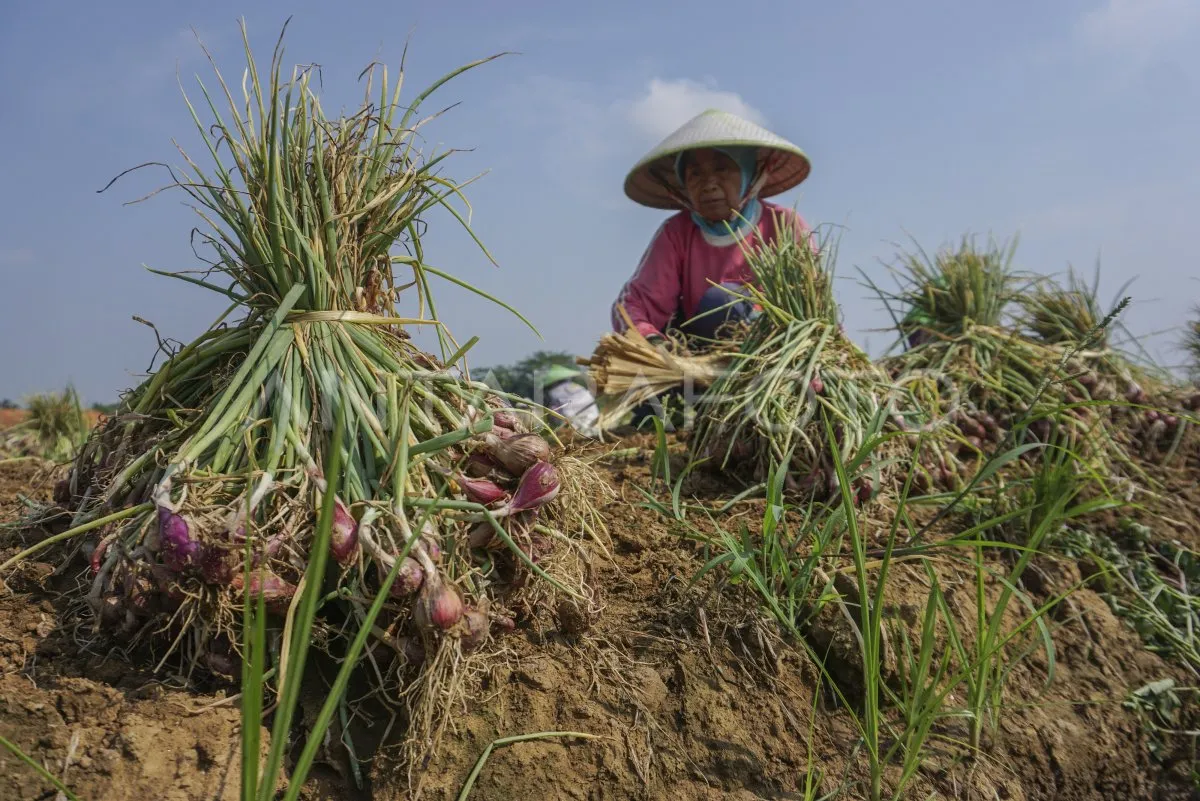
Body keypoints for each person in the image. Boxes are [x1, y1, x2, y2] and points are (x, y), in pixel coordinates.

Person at [610, 109, 814, 424]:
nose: (709, 185)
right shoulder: (677, 233)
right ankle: (665, 431)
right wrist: (653, 345)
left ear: (750, 174)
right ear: (682, 184)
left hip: (770, 361)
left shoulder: (785, 225)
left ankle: (745, 410)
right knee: (643, 373)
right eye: (695, 175)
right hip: (696, 363)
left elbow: (813, 309)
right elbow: (634, 306)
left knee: (723, 301)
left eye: (722, 169)